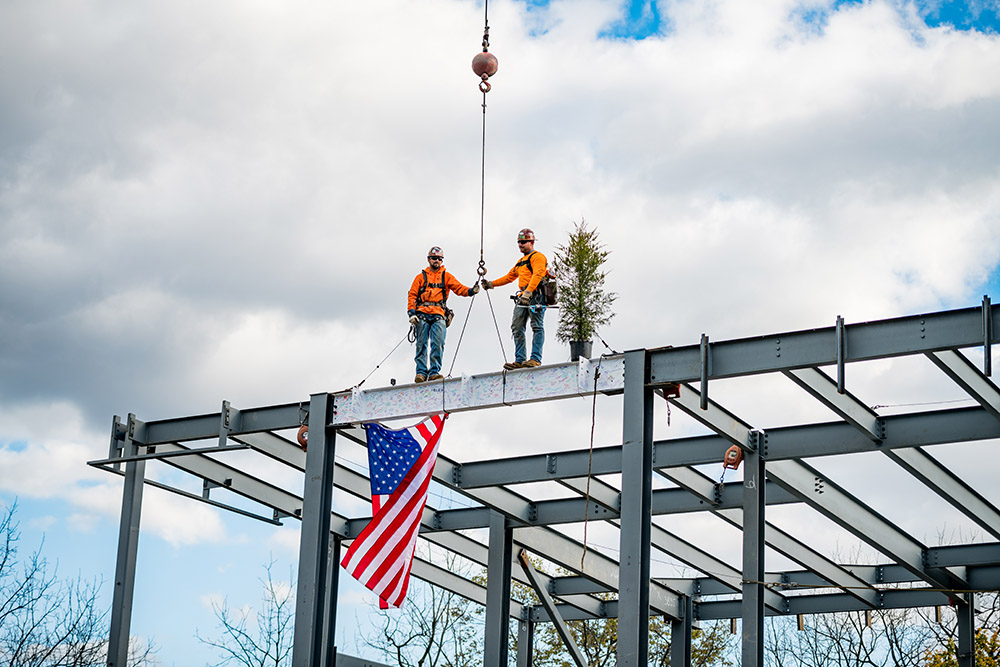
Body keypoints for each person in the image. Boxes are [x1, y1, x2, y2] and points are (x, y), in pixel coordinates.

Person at [407, 246, 479, 383]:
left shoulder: (446, 276)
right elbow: (412, 295)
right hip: (422, 314)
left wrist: (471, 291)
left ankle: (434, 372)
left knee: (438, 344)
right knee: (421, 344)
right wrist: (411, 313)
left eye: (439, 259)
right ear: (429, 259)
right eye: (434, 258)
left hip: (438, 314)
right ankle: (421, 373)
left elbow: (459, 288)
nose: (437, 261)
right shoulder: (420, 277)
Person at [481, 228, 548, 370]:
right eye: (519, 242)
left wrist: (528, 292)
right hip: (522, 296)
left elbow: (538, 274)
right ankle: (520, 359)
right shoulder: (521, 262)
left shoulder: (538, 257)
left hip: (535, 296)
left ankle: (535, 358)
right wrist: (492, 284)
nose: (521, 245)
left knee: (537, 326)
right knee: (517, 327)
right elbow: (509, 277)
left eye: (523, 242)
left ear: (531, 242)